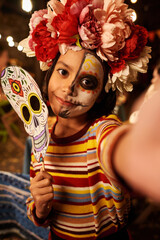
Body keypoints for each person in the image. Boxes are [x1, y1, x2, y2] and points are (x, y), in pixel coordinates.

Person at [19, 0, 160, 239]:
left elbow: (117, 146)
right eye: (62, 72)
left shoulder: (100, 132)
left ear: (100, 95)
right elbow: (37, 211)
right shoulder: (40, 135)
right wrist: (40, 207)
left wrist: (137, 154)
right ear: (49, 74)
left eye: (87, 82)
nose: (69, 88)